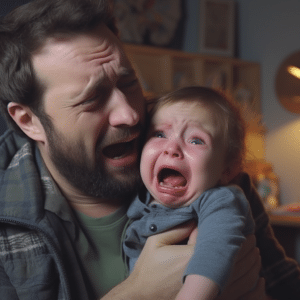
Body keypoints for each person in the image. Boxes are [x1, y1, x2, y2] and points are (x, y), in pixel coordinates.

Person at [0, 0, 298, 299]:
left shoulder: (207, 169)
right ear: (29, 121)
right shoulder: (7, 219)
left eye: (128, 83)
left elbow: (285, 285)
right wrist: (137, 292)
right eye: (92, 99)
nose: (128, 114)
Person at [124, 86, 256, 300]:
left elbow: (214, 253)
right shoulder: (138, 199)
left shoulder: (221, 201)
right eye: (159, 134)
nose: (172, 147)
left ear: (227, 169)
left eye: (196, 140)